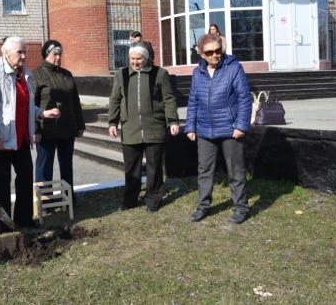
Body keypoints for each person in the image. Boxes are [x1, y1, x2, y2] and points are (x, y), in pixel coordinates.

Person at [0, 37, 61, 234]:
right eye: (20, 52)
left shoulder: (24, 74)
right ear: (6, 53)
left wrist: (42, 113)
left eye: (25, 52)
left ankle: (24, 219)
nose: (24, 56)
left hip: (21, 137)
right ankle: (5, 226)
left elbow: (24, 104)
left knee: (25, 177)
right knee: (1, 183)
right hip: (0, 138)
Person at [185, 34, 252, 225]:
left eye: (218, 50)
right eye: (210, 52)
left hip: (230, 129)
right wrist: (190, 126)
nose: (215, 55)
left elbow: (244, 98)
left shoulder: (234, 68)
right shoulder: (197, 73)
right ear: (201, 54)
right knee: (204, 170)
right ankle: (203, 206)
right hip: (205, 130)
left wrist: (240, 125)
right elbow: (193, 101)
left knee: (235, 170)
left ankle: (241, 207)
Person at [108, 41, 179, 213]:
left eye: (138, 58)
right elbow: (115, 100)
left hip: (154, 127)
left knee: (154, 167)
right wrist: (112, 122)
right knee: (132, 167)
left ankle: (153, 200)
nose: (135, 62)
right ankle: (130, 200)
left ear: (146, 58)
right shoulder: (121, 75)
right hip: (130, 128)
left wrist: (173, 121)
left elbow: (168, 99)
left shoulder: (160, 74)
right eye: (132, 58)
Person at [31, 40, 86, 207]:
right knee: (44, 166)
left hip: (68, 127)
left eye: (60, 54)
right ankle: (44, 202)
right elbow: (32, 103)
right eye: (54, 54)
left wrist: (80, 124)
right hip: (46, 130)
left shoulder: (67, 74)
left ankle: (68, 198)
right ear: (46, 55)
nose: (58, 57)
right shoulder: (37, 75)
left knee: (66, 165)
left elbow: (75, 101)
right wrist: (35, 128)